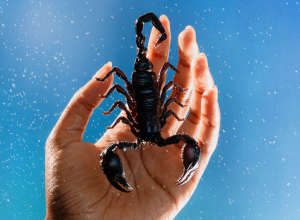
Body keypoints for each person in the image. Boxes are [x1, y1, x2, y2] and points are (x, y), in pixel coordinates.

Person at [45, 15, 220, 219]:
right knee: (130, 95)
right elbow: (125, 97)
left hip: (146, 91)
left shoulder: (144, 126)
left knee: (166, 93)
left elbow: (169, 100)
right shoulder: (152, 125)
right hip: (144, 90)